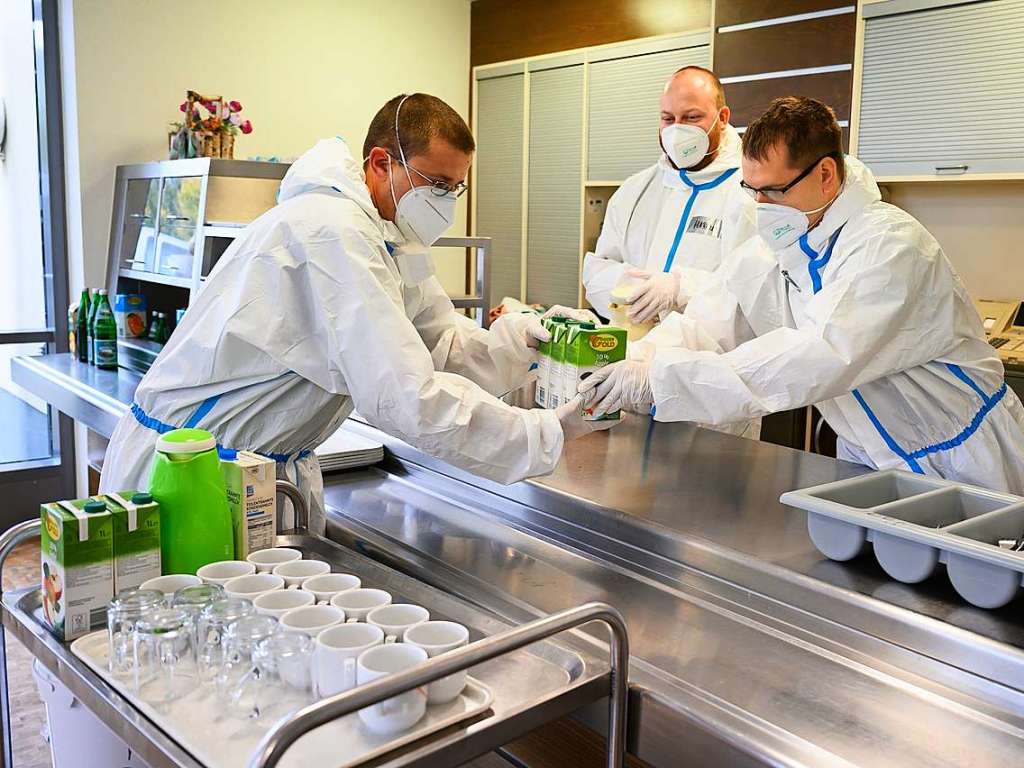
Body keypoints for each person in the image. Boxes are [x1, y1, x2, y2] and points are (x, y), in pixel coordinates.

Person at [100, 93, 617, 533]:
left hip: (257, 475)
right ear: (379, 163)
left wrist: (519, 342)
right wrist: (547, 431)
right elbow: (404, 394)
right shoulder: (333, 232)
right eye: (435, 184)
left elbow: (439, 344)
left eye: (455, 187)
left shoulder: (389, 236)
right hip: (192, 472)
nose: (446, 201)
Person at [580, 97, 1024, 493]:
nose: (761, 206)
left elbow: (819, 354)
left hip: (967, 463)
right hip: (872, 459)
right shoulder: (777, 249)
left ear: (826, 174)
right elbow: (709, 322)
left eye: (774, 190)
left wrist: (664, 380)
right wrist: (640, 361)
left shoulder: (889, 246)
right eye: (751, 190)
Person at [581, 66, 755, 324]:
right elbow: (596, 272)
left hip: (702, 360)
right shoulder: (634, 191)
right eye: (668, 119)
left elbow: (753, 291)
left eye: (692, 117)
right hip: (631, 350)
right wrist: (636, 293)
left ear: (722, 118)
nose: (677, 131)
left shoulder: (752, 193)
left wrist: (681, 289)